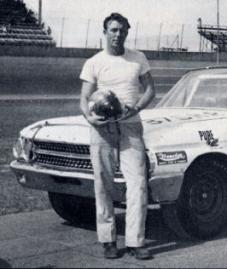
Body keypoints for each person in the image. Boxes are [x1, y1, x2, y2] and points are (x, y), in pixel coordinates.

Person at [79, 13, 156, 260]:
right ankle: (108, 240)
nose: (118, 34)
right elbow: (84, 99)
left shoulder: (138, 59)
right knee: (103, 184)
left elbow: (151, 91)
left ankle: (136, 241)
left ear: (127, 32)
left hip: (131, 126)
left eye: (122, 30)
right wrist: (90, 118)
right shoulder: (94, 62)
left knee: (138, 184)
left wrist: (137, 108)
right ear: (105, 32)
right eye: (113, 30)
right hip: (102, 128)